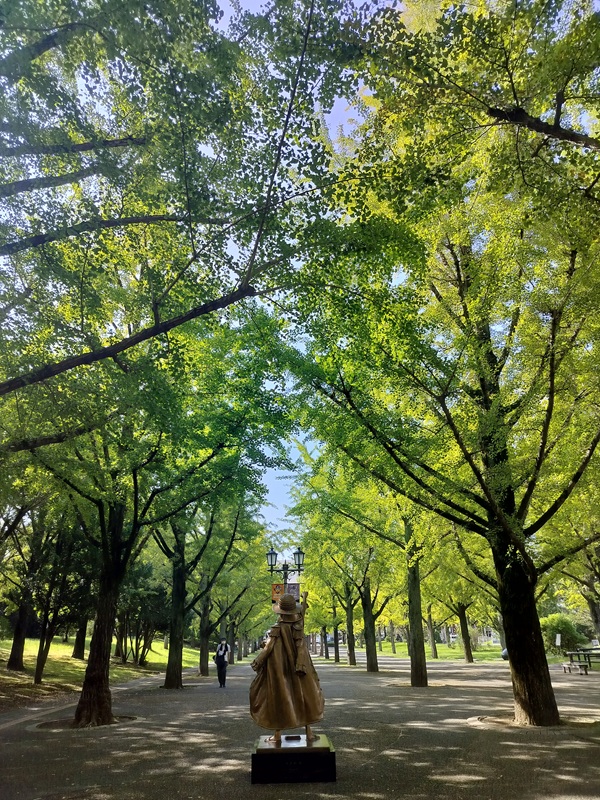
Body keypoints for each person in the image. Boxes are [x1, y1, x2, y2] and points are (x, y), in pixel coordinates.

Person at [249, 591, 324, 743]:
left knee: (279, 696)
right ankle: (309, 732)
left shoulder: (277, 628)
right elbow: (300, 644)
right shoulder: (298, 626)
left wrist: (259, 660)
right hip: (300, 666)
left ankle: (277, 735)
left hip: (280, 668)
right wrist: (301, 663)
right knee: (305, 695)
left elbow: (268, 647)